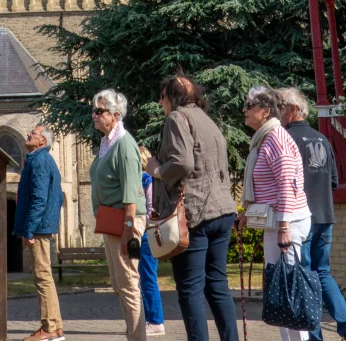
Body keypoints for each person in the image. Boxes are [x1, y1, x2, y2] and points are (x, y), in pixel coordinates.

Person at [145, 73, 239, 341]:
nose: (160, 102)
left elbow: (182, 163)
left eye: (162, 97)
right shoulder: (207, 119)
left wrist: (157, 169)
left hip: (195, 214)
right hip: (222, 211)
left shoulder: (177, 118)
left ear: (172, 96)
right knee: (217, 284)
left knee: (190, 288)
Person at [240, 86, 311, 341]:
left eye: (249, 106)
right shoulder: (264, 138)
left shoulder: (277, 139)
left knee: (289, 291)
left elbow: (287, 185)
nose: (244, 110)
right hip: (276, 224)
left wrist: (283, 228)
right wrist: (246, 213)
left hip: (287, 224)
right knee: (280, 291)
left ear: (265, 111)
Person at [278, 87, 346, 341]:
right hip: (325, 215)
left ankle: (313, 335)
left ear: (293, 109)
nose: (277, 112)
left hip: (302, 218)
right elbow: (332, 181)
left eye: (280, 106)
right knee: (323, 273)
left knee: (305, 277)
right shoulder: (322, 139)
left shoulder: (286, 140)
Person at [90, 89, 147, 341]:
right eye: (93, 110)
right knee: (118, 283)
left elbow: (131, 190)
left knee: (128, 284)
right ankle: (132, 335)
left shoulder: (124, 144)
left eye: (99, 111)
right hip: (110, 221)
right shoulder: (107, 142)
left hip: (125, 222)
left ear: (115, 114)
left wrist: (128, 230)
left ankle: (137, 337)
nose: (94, 115)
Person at [13, 124, 65, 341]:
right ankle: (55, 327)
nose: (28, 134)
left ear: (43, 141)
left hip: (40, 228)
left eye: (32, 133)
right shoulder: (39, 160)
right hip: (42, 226)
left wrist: (30, 230)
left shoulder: (41, 161)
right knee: (44, 277)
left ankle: (49, 328)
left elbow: (40, 199)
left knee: (42, 277)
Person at [139, 145, 165, 336]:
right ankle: (149, 318)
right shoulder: (144, 179)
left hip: (146, 234)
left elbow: (150, 209)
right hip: (142, 233)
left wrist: (141, 224)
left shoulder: (146, 179)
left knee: (148, 277)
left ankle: (155, 321)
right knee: (142, 277)